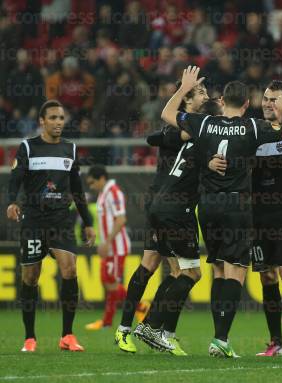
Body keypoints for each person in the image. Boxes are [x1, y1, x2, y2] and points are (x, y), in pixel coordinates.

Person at [161, 66, 282, 358]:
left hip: (207, 205)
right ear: (247, 105)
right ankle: (220, 339)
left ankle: (218, 337)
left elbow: (167, 115)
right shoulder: (252, 126)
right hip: (236, 206)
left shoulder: (204, 122)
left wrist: (183, 89)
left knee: (218, 269)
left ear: (222, 101)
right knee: (236, 271)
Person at [211, 80, 282, 357]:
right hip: (256, 214)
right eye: (265, 99)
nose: (268, 103)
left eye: (274, 99)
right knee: (267, 276)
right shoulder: (256, 131)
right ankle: (276, 342)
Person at [114, 79, 210, 355]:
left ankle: (163, 331)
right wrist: (178, 135)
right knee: (157, 267)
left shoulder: (197, 128)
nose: (205, 95)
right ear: (188, 101)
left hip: (176, 205)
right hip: (164, 202)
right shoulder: (178, 128)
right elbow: (152, 138)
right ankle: (129, 330)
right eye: (201, 92)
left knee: (174, 270)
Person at [7, 100, 96, 353]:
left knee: (70, 270)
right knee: (31, 277)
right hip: (34, 220)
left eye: (61, 118)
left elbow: (77, 189)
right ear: (42, 122)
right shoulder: (28, 147)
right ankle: (29, 337)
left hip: (61, 220)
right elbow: (15, 179)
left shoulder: (71, 149)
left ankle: (67, 335)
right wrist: (12, 201)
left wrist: (87, 222)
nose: (59, 122)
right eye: (54, 118)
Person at [84, 166, 131, 331]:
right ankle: (107, 321)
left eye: (92, 182)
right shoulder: (103, 193)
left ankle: (140, 308)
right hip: (110, 246)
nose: (91, 186)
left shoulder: (114, 192)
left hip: (117, 247)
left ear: (101, 178)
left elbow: (121, 219)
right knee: (108, 282)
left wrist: (107, 242)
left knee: (110, 283)